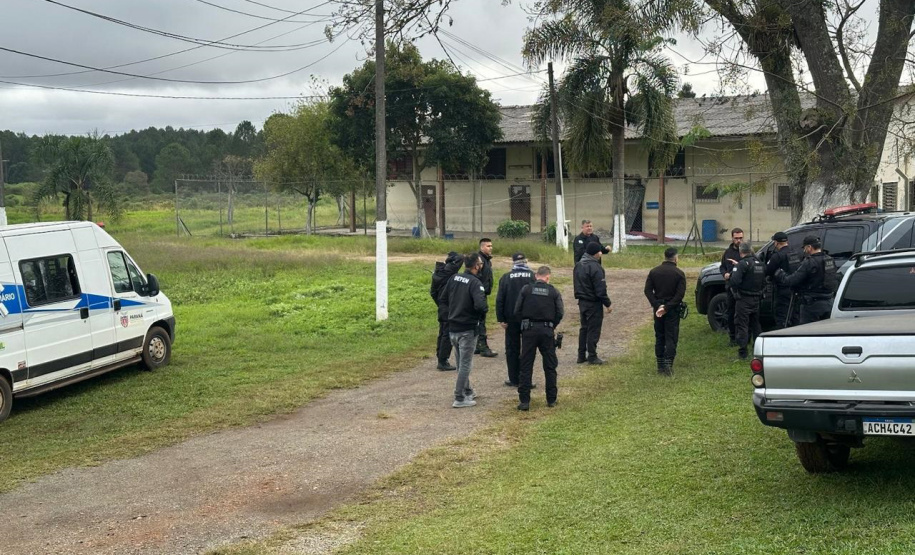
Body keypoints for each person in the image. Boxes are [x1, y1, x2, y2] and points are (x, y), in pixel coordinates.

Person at [438, 252, 489, 408]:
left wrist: (451, 315)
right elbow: (481, 305)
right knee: (465, 364)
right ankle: (459, 397)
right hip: (467, 329)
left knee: (460, 363)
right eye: (480, 264)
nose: (481, 266)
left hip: (453, 328)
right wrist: (478, 316)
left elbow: (443, 298)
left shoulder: (454, 278)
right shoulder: (475, 283)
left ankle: (467, 390)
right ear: (476, 266)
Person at [513, 266, 564, 410]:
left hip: (529, 330)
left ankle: (524, 401)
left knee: (526, 365)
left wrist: (523, 325)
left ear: (536, 276)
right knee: (550, 365)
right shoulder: (553, 291)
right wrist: (551, 326)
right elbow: (560, 312)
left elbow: (517, 311)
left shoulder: (526, 290)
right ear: (548, 277)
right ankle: (551, 399)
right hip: (547, 331)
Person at [776, 235, 838, 324]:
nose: (804, 250)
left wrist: (780, 274)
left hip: (812, 306)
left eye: (805, 248)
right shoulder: (829, 260)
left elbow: (792, 280)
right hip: (829, 303)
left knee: (808, 333)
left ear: (809, 247)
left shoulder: (809, 262)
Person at [495, 252, 536, 387]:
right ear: (526, 261)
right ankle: (526, 380)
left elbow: (500, 299)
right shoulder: (532, 276)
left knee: (512, 349)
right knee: (528, 349)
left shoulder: (506, 278)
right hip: (528, 318)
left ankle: (514, 378)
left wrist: (501, 318)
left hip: (511, 318)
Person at [644, 247, 686, 375]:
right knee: (671, 337)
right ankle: (668, 364)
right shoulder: (679, 273)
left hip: (658, 309)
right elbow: (680, 295)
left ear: (665, 256)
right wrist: (667, 307)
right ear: (676, 258)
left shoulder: (654, 272)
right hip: (672, 309)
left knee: (660, 336)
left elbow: (647, 291)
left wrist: (657, 305)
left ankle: (660, 365)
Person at [573, 242, 612, 365]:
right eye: (600, 251)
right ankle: (592, 356)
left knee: (584, 328)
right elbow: (600, 289)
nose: (601, 253)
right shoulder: (596, 267)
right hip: (593, 303)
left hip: (582, 302)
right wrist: (607, 303)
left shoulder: (579, 265)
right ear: (596, 253)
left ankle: (581, 355)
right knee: (593, 329)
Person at [730, 243, 765, 359]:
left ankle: (743, 352)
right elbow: (764, 281)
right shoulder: (760, 264)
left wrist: (735, 291)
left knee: (742, 325)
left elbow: (734, 281)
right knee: (756, 324)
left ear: (741, 252)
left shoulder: (742, 264)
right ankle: (758, 349)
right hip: (756, 298)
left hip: (744, 299)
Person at [430, 251, 463, 370]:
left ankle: (441, 357)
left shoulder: (438, 273)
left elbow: (432, 292)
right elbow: (460, 258)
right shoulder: (450, 272)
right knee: (447, 334)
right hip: (449, 307)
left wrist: (440, 303)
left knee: (442, 332)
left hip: (442, 307)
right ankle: (443, 361)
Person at [764, 231, 800, 329]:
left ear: (776, 243)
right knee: (794, 316)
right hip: (794, 290)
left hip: (782, 291)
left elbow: (767, 270)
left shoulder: (777, 256)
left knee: (781, 317)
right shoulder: (795, 253)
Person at [719, 227, 744, 345]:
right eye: (736, 238)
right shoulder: (728, 252)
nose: (738, 240)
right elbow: (722, 266)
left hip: (743, 287)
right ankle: (732, 337)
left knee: (743, 313)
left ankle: (743, 336)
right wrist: (725, 274)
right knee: (731, 311)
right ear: (732, 238)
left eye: (740, 238)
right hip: (730, 286)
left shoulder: (745, 251)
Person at [474, 238, 498, 358]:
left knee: (479, 321)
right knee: (480, 321)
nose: (490, 248)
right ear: (482, 247)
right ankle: (483, 347)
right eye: (488, 246)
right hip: (478, 294)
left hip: (483, 293)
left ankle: (477, 345)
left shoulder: (487, 260)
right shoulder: (479, 260)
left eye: (491, 246)